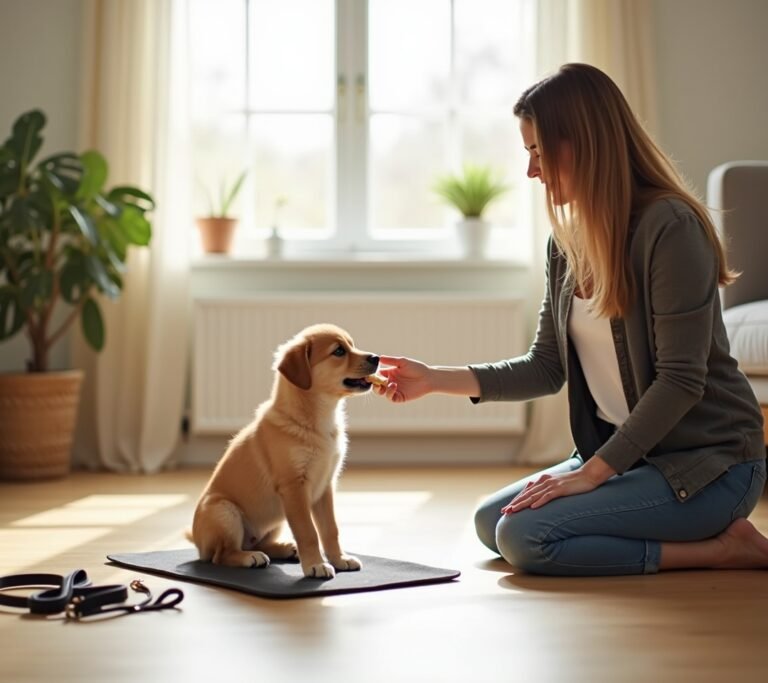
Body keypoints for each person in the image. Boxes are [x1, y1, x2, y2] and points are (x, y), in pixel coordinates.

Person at [375, 63, 768, 576]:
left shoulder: (670, 228)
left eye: (539, 152)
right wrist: (432, 379)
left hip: (708, 465)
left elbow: (680, 381)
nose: (531, 171)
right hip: (632, 457)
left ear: (584, 144)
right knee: (490, 522)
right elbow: (546, 366)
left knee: (524, 536)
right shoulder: (565, 244)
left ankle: (723, 550)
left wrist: (593, 474)